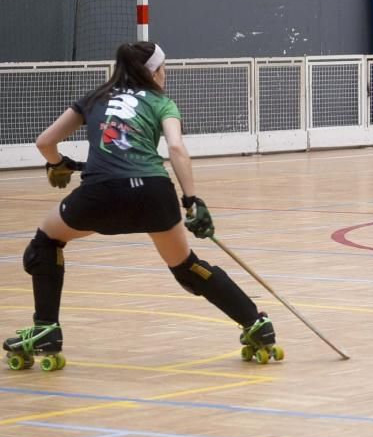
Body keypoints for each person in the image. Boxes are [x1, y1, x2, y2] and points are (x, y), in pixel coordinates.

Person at [2, 41, 282, 371]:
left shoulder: (94, 98)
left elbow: (45, 141)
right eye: (164, 68)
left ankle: (45, 328)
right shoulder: (162, 101)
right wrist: (192, 201)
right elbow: (177, 149)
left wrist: (58, 163)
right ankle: (255, 322)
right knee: (187, 266)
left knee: (45, 242)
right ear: (153, 71)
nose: (166, 75)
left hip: (101, 195)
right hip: (153, 193)